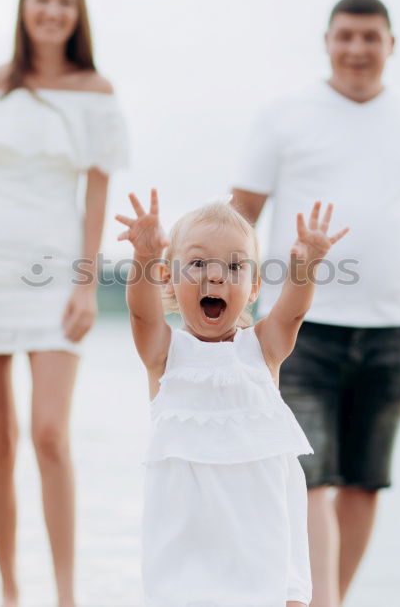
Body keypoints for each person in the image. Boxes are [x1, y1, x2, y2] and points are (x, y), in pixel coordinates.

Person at [231, 0, 400, 607]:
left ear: (390, 45)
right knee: (306, 477)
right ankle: (317, 601)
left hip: (393, 330)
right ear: (327, 41)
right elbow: (241, 216)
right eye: (346, 36)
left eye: (371, 37)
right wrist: (232, 304)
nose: (357, 49)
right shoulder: (284, 115)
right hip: (301, 329)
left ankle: (332, 598)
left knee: (364, 483)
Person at [0, 0, 128, 607]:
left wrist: (84, 283)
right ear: (24, 8)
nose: (52, 11)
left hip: (52, 276)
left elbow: (98, 196)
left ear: (78, 14)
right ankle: (10, 591)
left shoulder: (95, 92)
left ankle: (67, 595)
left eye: (64, 2)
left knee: (49, 434)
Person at [115, 189, 349, 607]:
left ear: (255, 286)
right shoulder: (164, 355)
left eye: (235, 266)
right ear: (168, 277)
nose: (216, 276)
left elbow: (293, 312)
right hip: (186, 543)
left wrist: (308, 264)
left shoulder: (262, 349)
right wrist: (145, 257)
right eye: (198, 263)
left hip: (260, 538)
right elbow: (141, 312)